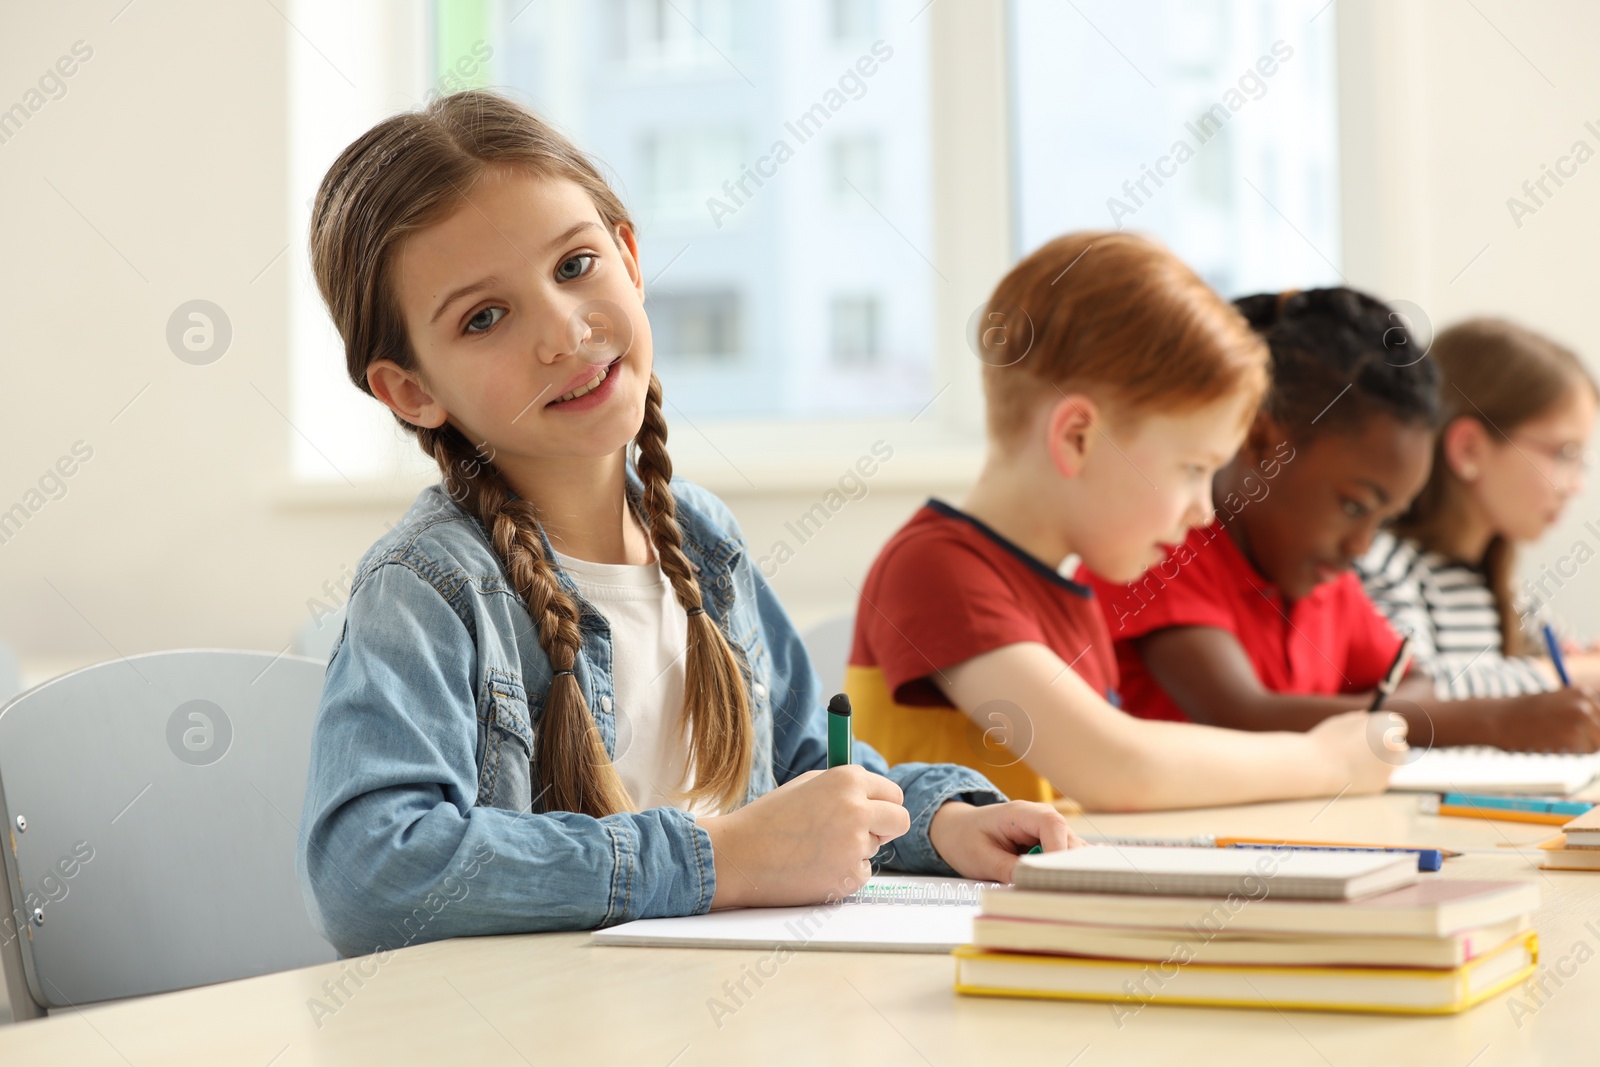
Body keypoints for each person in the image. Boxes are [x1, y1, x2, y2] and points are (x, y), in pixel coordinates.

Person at [295, 90, 1074, 959]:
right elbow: (374, 875)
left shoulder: (703, 536)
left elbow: (805, 772)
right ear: (412, 390)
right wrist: (718, 858)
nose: (564, 330)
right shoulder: (428, 589)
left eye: (575, 265)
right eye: (484, 317)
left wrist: (943, 822)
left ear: (628, 256)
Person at [847, 235, 1402, 810]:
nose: (1204, 509)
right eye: (1192, 468)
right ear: (1078, 438)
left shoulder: (1072, 596)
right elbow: (1118, 769)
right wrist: (1329, 761)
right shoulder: (937, 572)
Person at [1093, 289, 1600, 754]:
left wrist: (1409, 713)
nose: (1362, 546)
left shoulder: (1325, 582)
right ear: (1261, 446)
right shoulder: (1167, 547)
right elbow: (1243, 716)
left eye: (1384, 519)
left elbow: (1414, 684)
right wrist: (1487, 722)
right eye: (1355, 506)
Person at [1357, 318, 1599, 696]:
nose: (1577, 486)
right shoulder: (1381, 566)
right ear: (1470, 449)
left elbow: (1575, 658)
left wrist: (1580, 662)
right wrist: (1572, 673)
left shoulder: (1502, 588)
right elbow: (1412, 690)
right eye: (1564, 453)